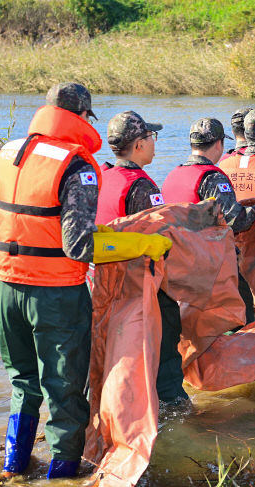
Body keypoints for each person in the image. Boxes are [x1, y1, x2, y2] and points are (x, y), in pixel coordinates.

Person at [0, 83, 171, 480]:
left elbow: (39, 222)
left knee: (23, 383)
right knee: (65, 392)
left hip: (3, 287)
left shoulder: (10, 152)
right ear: (83, 117)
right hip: (54, 295)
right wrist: (142, 243)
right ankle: (62, 477)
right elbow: (78, 245)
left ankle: (12, 469)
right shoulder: (76, 165)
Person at [96, 111, 188, 404]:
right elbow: (166, 240)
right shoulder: (142, 187)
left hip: (104, 287)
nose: (153, 143)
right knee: (165, 361)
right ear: (138, 144)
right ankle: (177, 418)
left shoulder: (101, 176)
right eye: (151, 137)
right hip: (141, 288)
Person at [161, 118, 255, 323]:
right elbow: (236, 221)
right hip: (210, 266)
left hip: (175, 266)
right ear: (218, 144)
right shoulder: (213, 177)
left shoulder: (172, 175)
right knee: (240, 315)